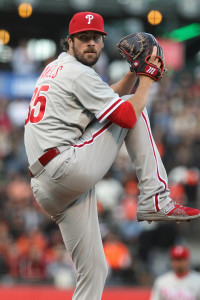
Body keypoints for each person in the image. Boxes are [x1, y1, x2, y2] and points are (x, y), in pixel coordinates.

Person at [24, 11, 200, 300]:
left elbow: (105, 95)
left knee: (94, 272)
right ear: (69, 41)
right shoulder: (77, 72)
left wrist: (133, 72)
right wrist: (147, 78)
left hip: (50, 186)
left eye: (96, 38)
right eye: (83, 38)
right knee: (133, 108)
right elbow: (126, 115)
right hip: (64, 167)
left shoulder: (58, 68)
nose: (90, 43)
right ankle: (155, 197)